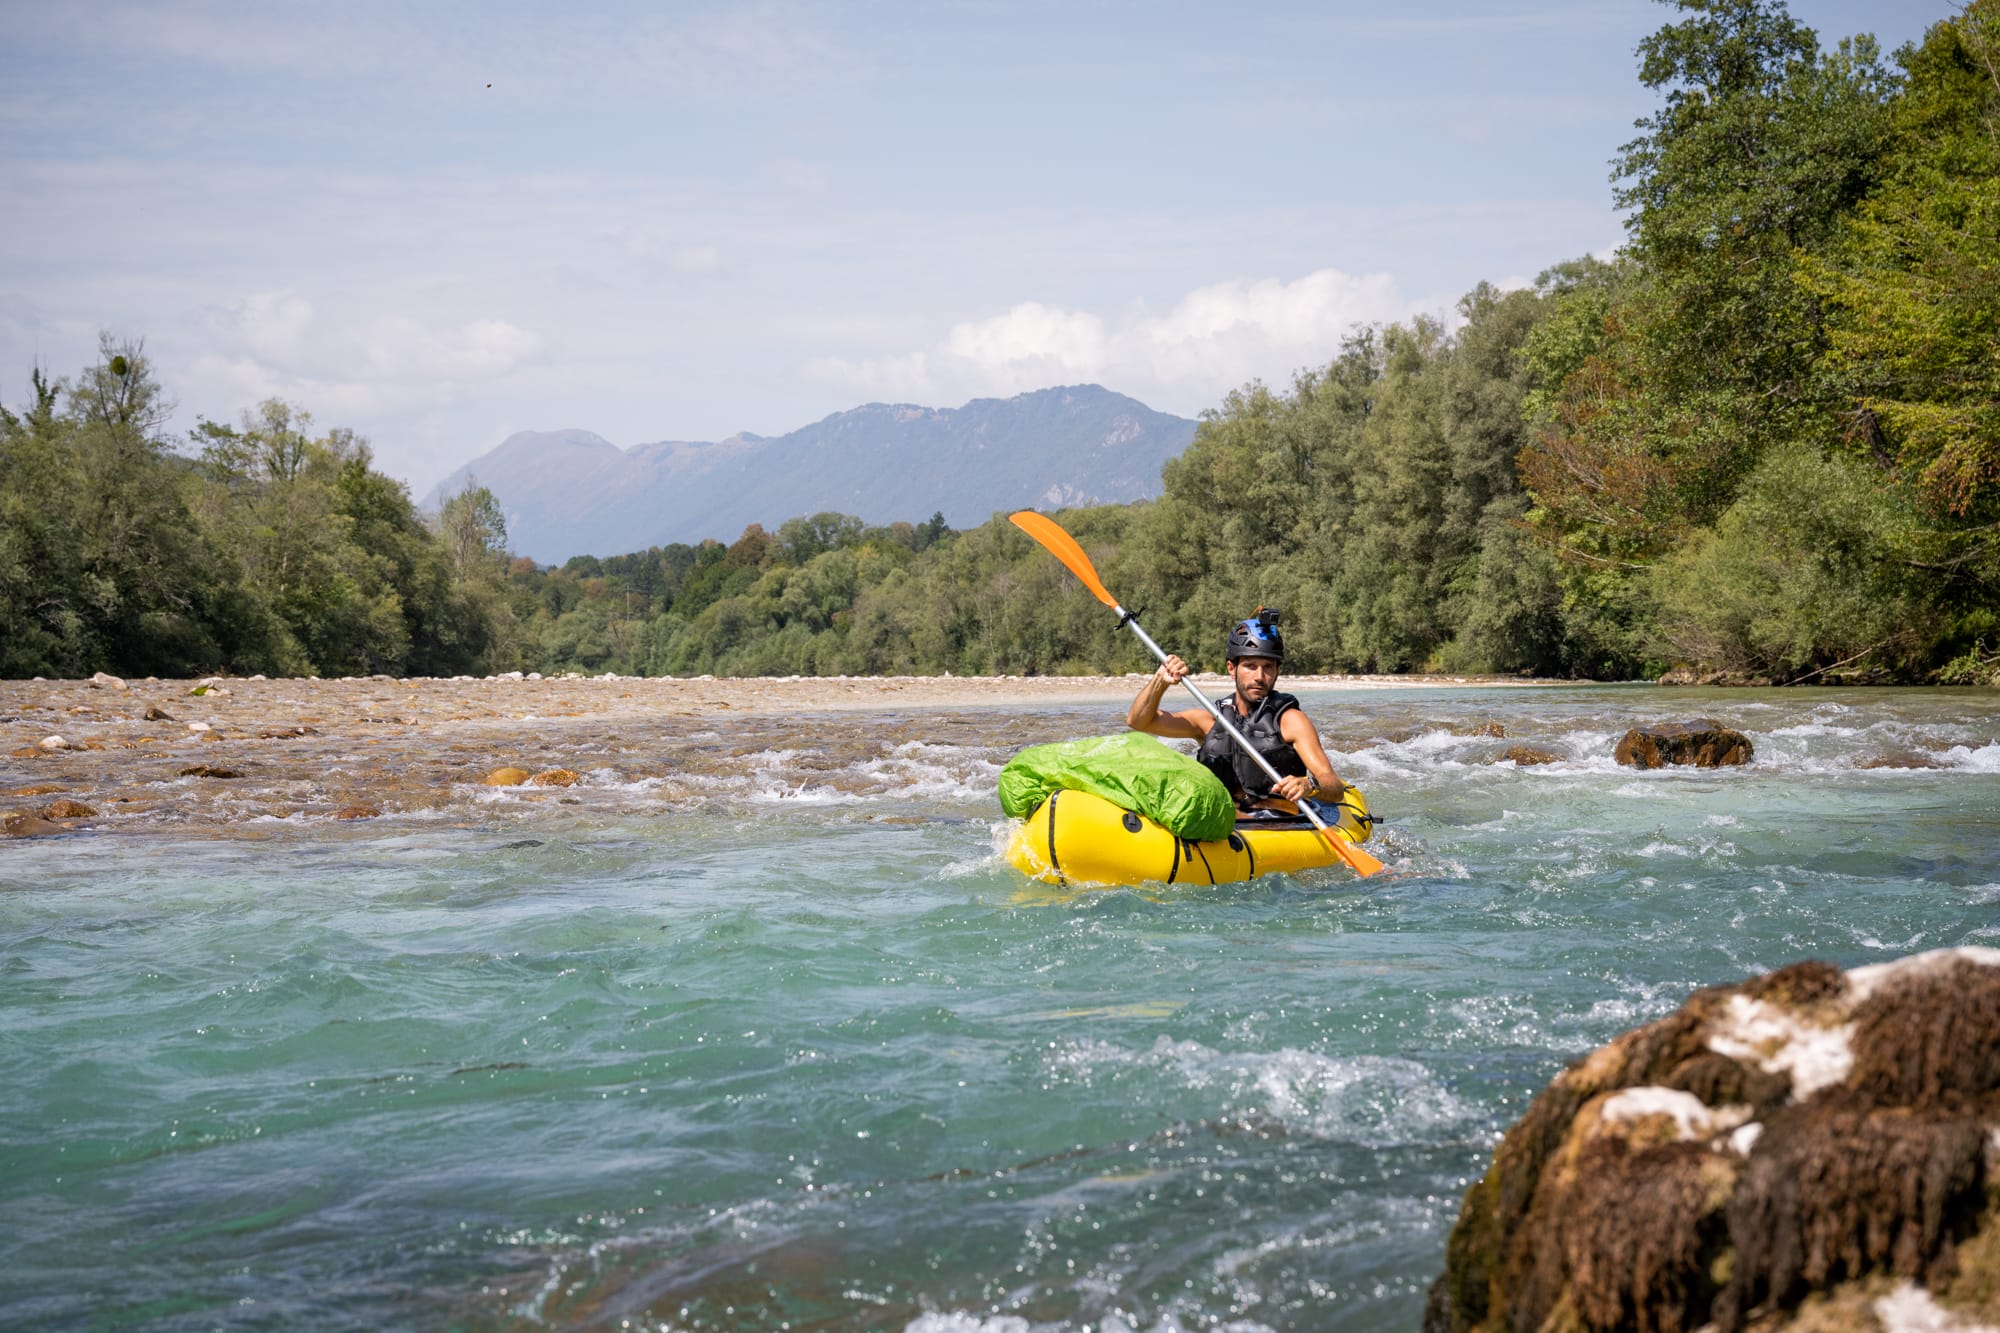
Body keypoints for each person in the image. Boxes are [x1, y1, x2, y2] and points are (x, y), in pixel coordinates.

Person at [1125, 608, 1348, 818]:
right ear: (1232, 669)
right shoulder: (1209, 720)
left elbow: (1334, 786)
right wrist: (1159, 682)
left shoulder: (1291, 721)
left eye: (1268, 667)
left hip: (1276, 820)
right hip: (1226, 821)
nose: (1260, 676)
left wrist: (1309, 785)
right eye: (1250, 666)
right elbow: (1139, 721)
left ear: (1277, 670)